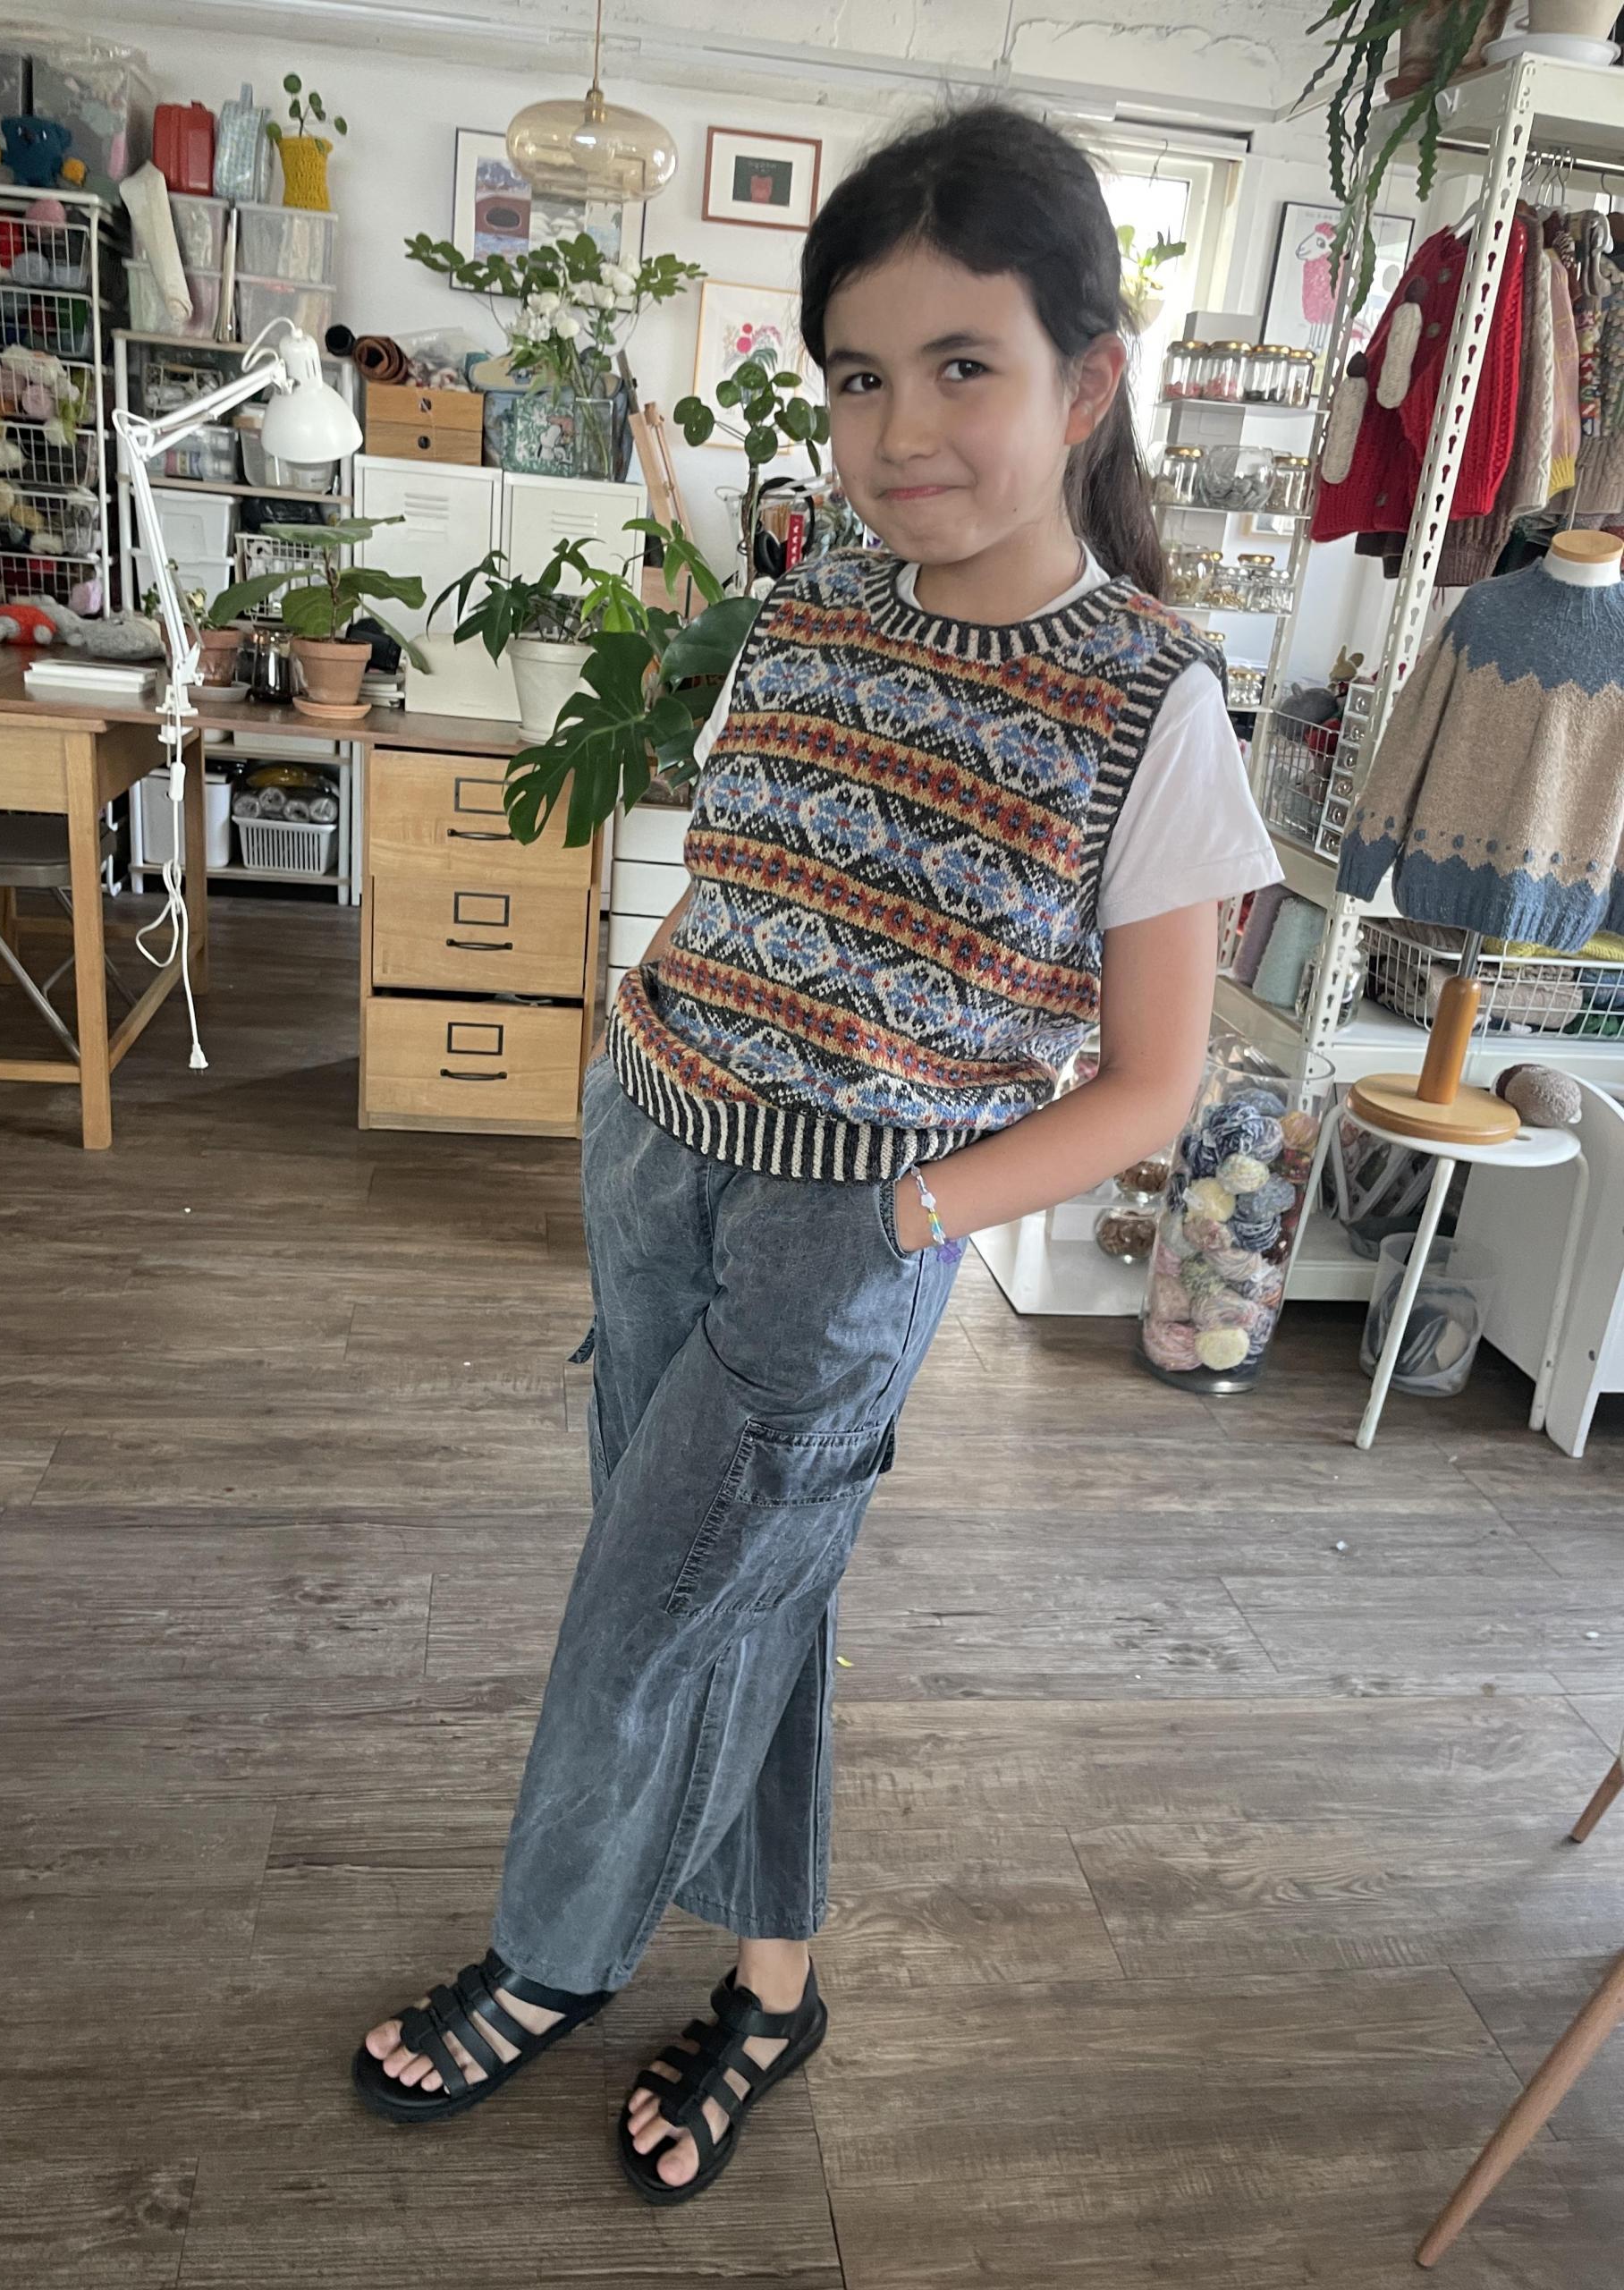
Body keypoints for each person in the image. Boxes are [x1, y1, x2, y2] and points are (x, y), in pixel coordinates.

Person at [353, 102, 1281, 2203]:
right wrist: (635, 1054)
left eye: (964, 365)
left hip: (847, 1229)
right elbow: (743, 879)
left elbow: (1153, 1087)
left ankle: (551, 1953)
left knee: (640, 1615)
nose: (899, 429)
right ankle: (771, 1986)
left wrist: (905, 1217)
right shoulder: (807, 610)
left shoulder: (1154, 702)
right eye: (861, 374)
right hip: (653, 1148)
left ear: (1089, 382)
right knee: (741, 1592)